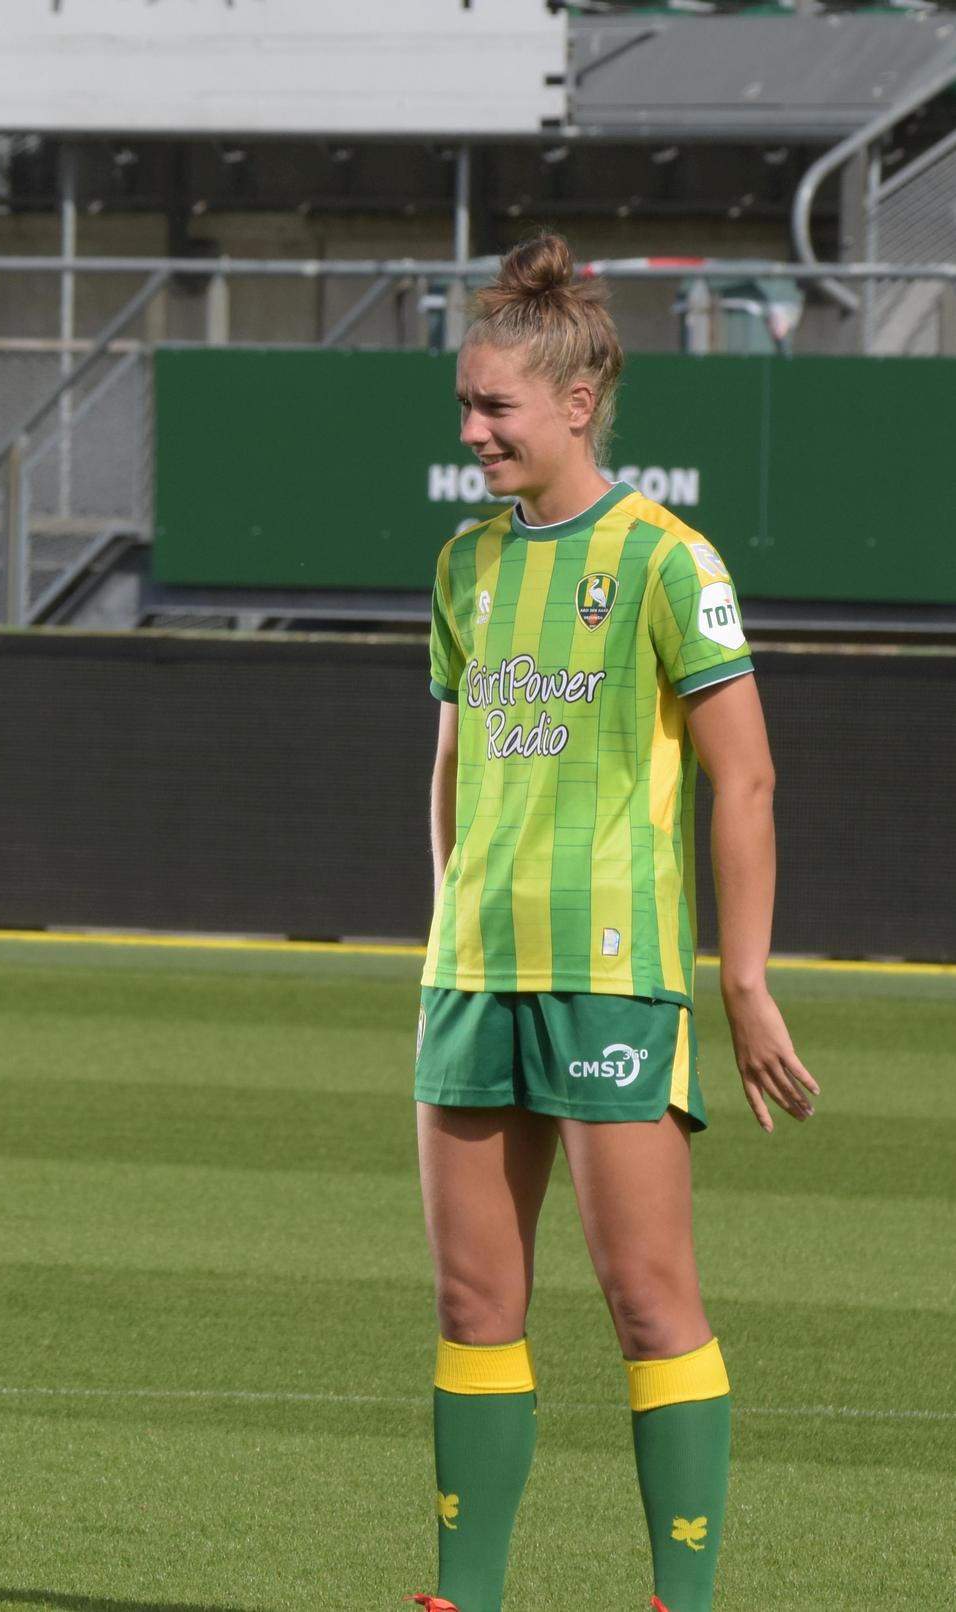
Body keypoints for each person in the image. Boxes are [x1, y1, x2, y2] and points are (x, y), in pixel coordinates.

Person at [408, 235, 820, 1612]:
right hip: (473, 980)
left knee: (648, 1304)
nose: (473, 432)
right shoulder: (465, 566)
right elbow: (455, 773)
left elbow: (744, 777)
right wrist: (446, 925)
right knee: (475, 1311)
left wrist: (744, 980)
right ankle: (465, 1597)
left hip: (612, 985)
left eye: (495, 408)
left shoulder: (665, 558)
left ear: (577, 403)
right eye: (465, 408)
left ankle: (679, 1603)